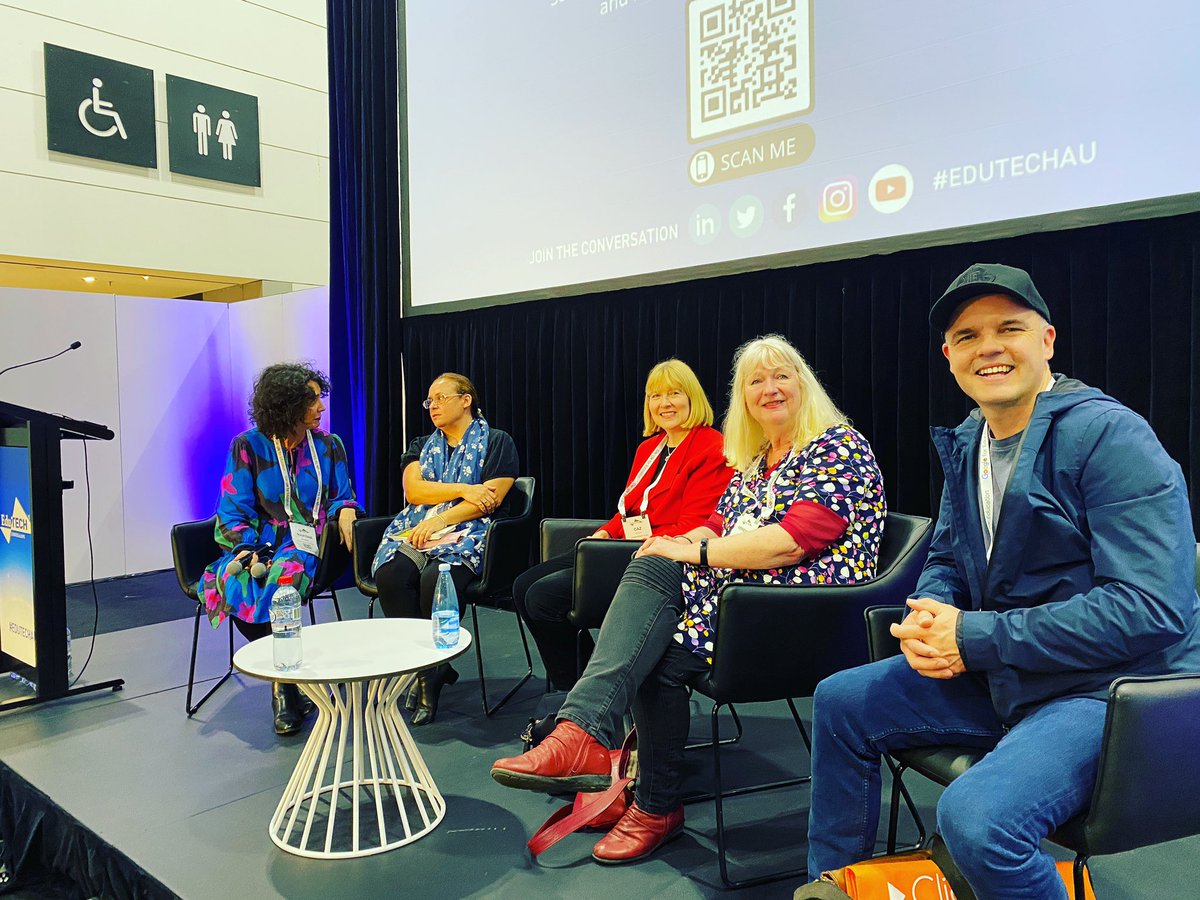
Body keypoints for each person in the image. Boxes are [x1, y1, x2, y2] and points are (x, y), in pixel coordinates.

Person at [805, 263, 1200, 898]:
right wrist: (933, 609)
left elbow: (1151, 609)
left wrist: (975, 638)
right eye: (967, 337)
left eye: (1008, 328)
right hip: (1013, 671)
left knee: (979, 821)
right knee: (842, 700)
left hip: (1111, 690)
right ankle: (835, 884)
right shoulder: (971, 440)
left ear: (1046, 340)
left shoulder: (1111, 436)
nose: (988, 347)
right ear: (949, 356)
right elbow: (948, 555)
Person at [492, 335, 886, 864]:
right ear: (742, 397)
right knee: (653, 562)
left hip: (798, 612)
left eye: (781, 376)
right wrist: (679, 544)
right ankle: (587, 737)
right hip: (740, 597)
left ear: (804, 383)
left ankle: (643, 792)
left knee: (660, 649)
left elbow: (791, 543)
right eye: (755, 381)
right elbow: (723, 521)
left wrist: (695, 550)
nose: (769, 389)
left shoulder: (837, 446)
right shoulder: (761, 459)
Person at [512, 359, 731, 737]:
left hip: (660, 560)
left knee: (545, 597)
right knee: (522, 587)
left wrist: (627, 543)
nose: (665, 403)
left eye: (674, 393)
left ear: (692, 397)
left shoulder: (712, 446)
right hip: (621, 548)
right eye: (655, 395)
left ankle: (580, 706)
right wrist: (605, 535)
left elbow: (697, 524)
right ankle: (581, 695)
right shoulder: (650, 447)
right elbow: (631, 509)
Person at [200, 363, 361, 735]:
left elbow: (341, 496)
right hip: (258, 541)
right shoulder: (248, 446)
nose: (321, 407)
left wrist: (348, 512)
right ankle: (289, 681)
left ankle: (284, 689)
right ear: (287, 404)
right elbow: (232, 507)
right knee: (233, 581)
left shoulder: (328, 445)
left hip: (311, 540)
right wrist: (246, 547)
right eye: (312, 400)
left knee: (282, 582)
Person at [371, 372, 519, 725]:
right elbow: (415, 493)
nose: (432, 406)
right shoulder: (421, 445)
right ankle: (428, 667)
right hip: (417, 528)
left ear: (466, 400)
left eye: (440, 398)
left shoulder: (498, 441)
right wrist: (465, 488)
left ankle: (429, 670)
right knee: (391, 575)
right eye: (429, 401)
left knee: (436, 579)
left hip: (470, 532)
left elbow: (491, 499)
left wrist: (442, 519)